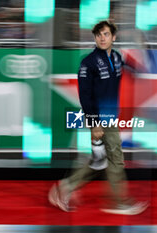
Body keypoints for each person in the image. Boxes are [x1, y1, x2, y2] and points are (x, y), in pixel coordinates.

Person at [48, 20, 149, 215]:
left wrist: (141, 45)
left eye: (106, 34)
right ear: (95, 38)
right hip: (100, 120)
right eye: (99, 35)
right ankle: (118, 202)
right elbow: (85, 96)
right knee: (114, 160)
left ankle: (64, 188)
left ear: (113, 37)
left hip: (112, 117)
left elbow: (138, 68)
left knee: (99, 161)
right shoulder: (88, 63)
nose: (103, 38)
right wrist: (94, 124)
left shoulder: (118, 58)